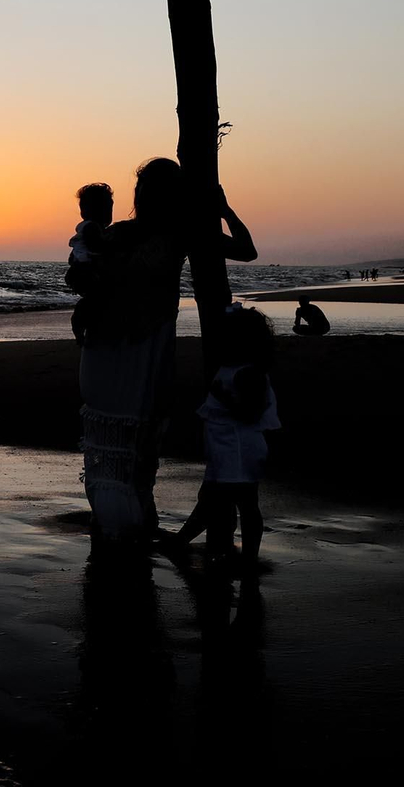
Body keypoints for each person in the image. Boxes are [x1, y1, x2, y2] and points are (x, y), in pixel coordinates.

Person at [79, 160, 258, 546]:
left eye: (149, 187)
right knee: (110, 442)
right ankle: (112, 520)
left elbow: (247, 250)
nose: (141, 194)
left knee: (140, 440)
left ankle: (133, 521)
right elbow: (89, 278)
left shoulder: (183, 235)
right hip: (105, 347)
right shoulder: (118, 233)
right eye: (139, 186)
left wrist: (224, 210)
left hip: (148, 345)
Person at [162, 306, 280, 571]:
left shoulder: (247, 373)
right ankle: (183, 540)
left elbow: (250, 414)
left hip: (238, 449)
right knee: (218, 498)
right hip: (227, 448)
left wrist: (224, 397)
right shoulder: (234, 369)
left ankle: (246, 555)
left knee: (238, 503)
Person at [65, 182, 114, 344]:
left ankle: (81, 325)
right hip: (85, 269)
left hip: (83, 268)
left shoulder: (94, 227)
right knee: (96, 298)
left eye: (110, 206)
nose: (109, 211)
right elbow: (97, 247)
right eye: (106, 206)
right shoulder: (91, 227)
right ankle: (79, 324)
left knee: (94, 299)